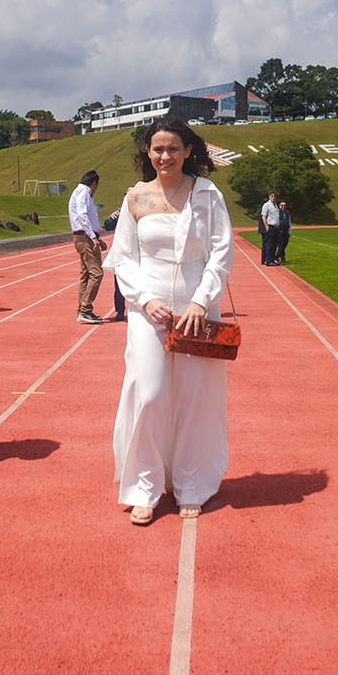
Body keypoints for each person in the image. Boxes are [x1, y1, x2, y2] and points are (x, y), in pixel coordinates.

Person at [105, 117, 234, 525]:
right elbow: (123, 257)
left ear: (189, 151)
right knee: (149, 393)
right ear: (148, 152)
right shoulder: (136, 199)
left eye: (173, 148)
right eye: (158, 149)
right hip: (150, 312)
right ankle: (144, 485)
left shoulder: (207, 194)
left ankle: (190, 482)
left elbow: (221, 252)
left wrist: (200, 301)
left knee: (196, 400)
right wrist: (145, 298)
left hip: (198, 310)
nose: (166, 156)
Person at [68, 170, 106, 324]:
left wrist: (96, 237)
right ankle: (85, 309)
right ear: (94, 183)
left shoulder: (78, 192)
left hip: (83, 236)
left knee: (86, 274)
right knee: (97, 273)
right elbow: (82, 215)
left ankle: (81, 310)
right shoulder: (84, 192)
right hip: (84, 237)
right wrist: (92, 237)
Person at [102, 206, 127, 322]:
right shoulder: (121, 211)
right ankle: (120, 310)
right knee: (119, 284)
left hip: (141, 252)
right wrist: (111, 218)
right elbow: (107, 226)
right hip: (122, 252)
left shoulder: (145, 210)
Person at [260, 190, 281, 265]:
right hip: (270, 226)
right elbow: (264, 216)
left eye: (275, 196)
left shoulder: (276, 205)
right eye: (272, 196)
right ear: (269, 197)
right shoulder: (267, 205)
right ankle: (268, 261)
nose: (273, 197)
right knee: (269, 244)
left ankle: (272, 259)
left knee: (274, 244)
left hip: (276, 227)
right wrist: (266, 226)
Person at [277, 200, 293, 264]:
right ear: (279, 206)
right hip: (279, 231)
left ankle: (282, 257)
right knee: (281, 245)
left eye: (284, 205)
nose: (283, 206)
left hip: (286, 231)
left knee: (284, 245)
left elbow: (289, 222)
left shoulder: (287, 213)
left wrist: (289, 232)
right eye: (282, 205)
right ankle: (277, 257)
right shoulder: (277, 212)